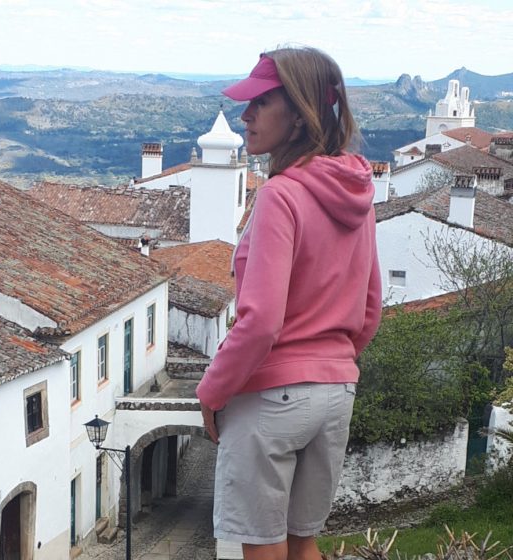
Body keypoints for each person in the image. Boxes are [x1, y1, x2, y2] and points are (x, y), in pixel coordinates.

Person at [196, 46, 382, 560]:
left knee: (263, 547)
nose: (245, 115)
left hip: (272, 397)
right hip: (335, 393)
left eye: (261, 102)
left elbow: (259, 323)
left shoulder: (281, 194)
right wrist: (329, 363)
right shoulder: (357, 192)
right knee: (304, 544)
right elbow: (370, 310)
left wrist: (211, 393)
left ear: (299, 113)